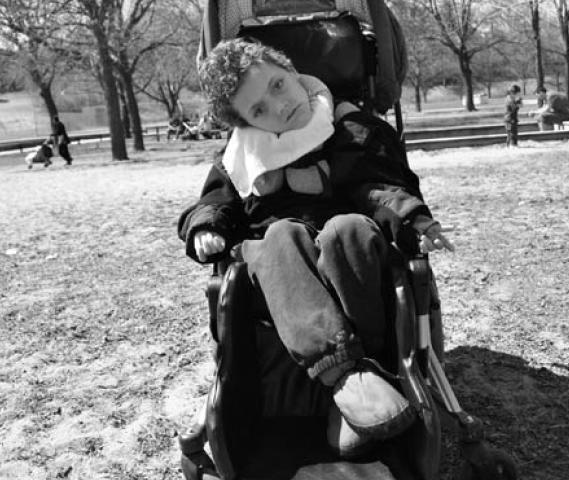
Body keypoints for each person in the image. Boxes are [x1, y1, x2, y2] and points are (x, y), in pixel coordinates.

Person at [178, 38, 454, 458]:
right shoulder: (242, 156)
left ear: (291, 71)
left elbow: (381, 185)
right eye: (258, 111)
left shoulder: (351, 127)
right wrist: (205, 227)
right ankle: (347, 378)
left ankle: (359, 391)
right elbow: (214, 202)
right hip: (279, 262)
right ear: (246, 123)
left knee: (347, 229)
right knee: (280, 235)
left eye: (277, 86)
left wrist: (411, 218)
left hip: (350, 253)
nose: (278, 106)